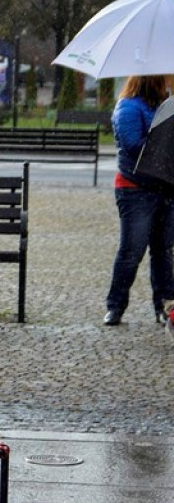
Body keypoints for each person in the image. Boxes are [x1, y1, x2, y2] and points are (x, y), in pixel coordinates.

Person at [104, 75, 173, 326]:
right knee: (132, 250)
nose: (169, 81)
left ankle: (165, 306)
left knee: (163, 251)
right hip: (135, 190)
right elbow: (133, 145)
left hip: (165, 187)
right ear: (151, 80)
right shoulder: (128, 107)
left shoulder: (166, 104)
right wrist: (165, 138)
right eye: (165, 78)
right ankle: (116, 305)